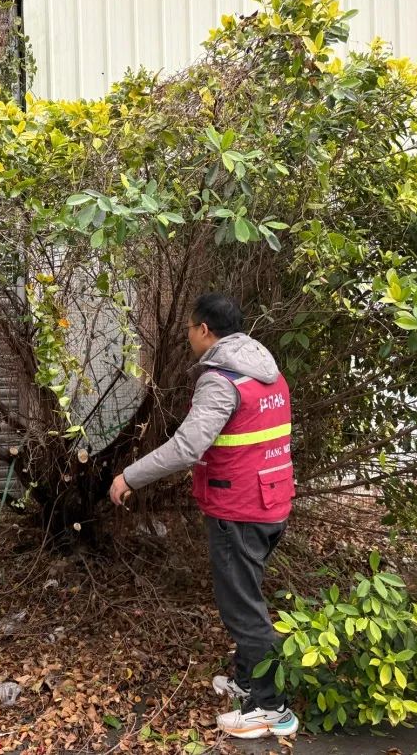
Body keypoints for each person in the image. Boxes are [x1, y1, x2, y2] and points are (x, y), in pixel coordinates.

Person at [109, 293, 298, 740]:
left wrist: (129, 477)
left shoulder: (222, 380)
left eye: (190, 329)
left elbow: (187, 446)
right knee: (245, 596)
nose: (189, 337)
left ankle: (271, 707)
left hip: (240, 511)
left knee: (242, 610)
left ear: (205, 330)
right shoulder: (266, 371)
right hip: (272, 501)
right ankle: (247, 682)